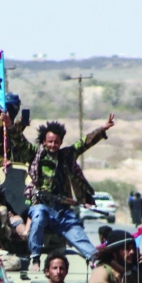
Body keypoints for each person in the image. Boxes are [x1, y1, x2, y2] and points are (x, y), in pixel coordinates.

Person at [24, 115, 115, 270]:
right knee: (38, 218)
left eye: (56, 142)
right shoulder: (36, 155)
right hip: (41, 206)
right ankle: (35, 258)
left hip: (62, 210)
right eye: (50, 142)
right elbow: (20, 142)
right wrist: (12, 125)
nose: (53, 145)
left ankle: (98, 263)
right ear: (44, 142)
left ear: (61, 142)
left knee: (78, 236)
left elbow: (84, 143)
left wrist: (102, 130)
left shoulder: (66, 155)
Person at [0, 93, 32, 169]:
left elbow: (13, 136)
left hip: (17, 166)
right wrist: (2, 161)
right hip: (4, 169)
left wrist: (21, 124)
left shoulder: (11, 124)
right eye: (15, 107)